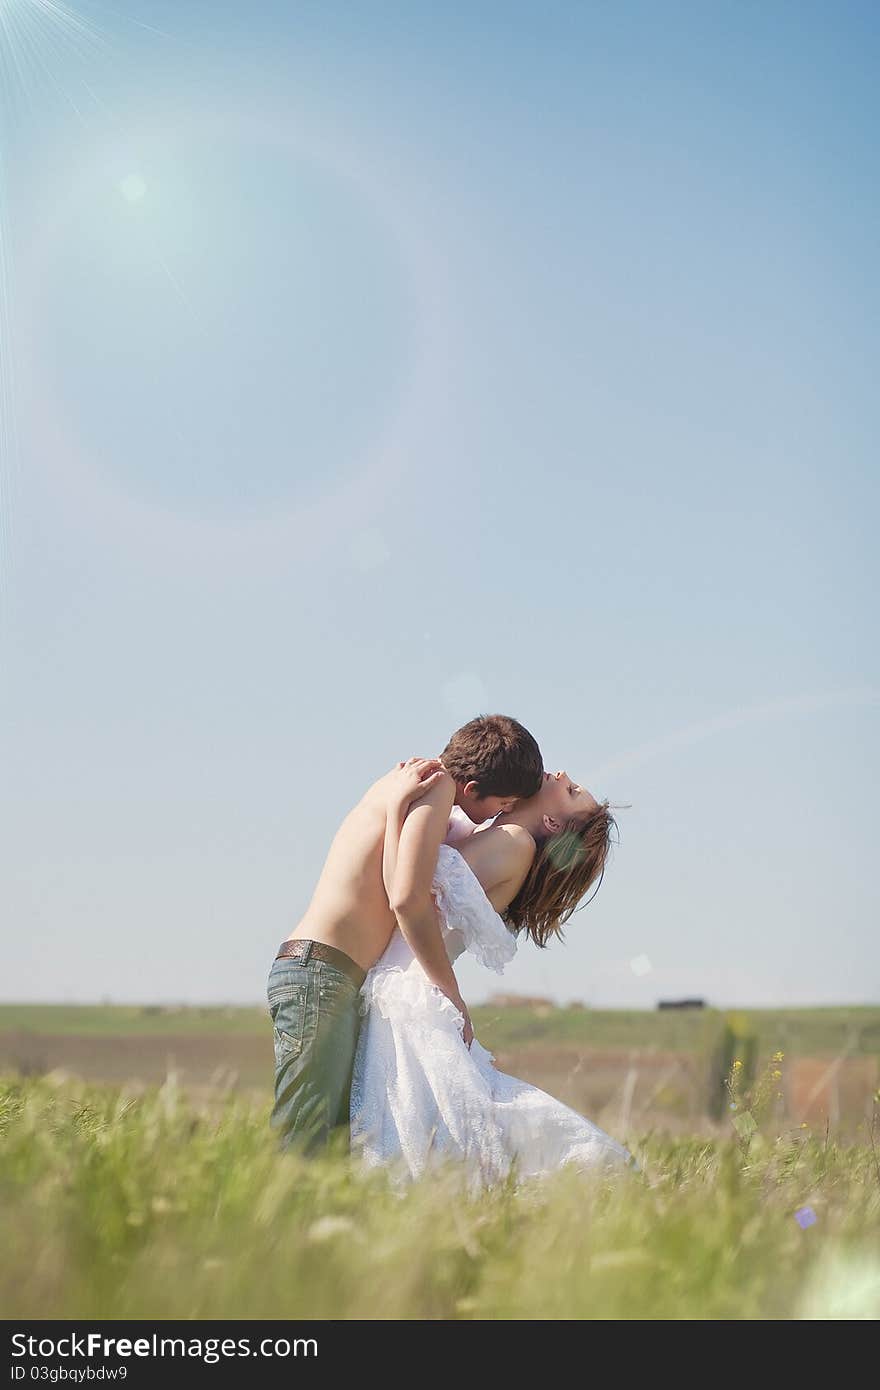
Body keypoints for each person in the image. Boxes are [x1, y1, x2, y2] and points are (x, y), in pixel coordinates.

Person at [266, 715, 544, 1154]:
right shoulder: (435, 788)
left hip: (328, 972)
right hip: (321, 972)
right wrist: (451, 995)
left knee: (329, 1139)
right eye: (503, 805)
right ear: (472, 790)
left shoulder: (417, 787)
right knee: (305, 1133)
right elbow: (406, 898)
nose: (501, 816)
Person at [350, 768, 637, 1190]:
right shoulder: (494, 833)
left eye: (571, 790)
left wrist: (396, 810)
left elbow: (410, 893)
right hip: (405, 987)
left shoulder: (512, 843)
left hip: (410, 994)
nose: (562, 775)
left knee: (416, 1130)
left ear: (553, 823)